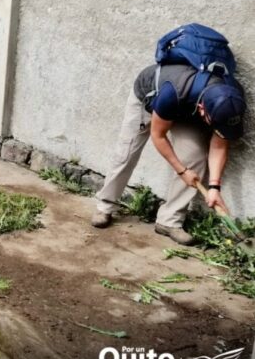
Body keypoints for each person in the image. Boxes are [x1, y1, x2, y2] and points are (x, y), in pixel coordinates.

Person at [92, 63, 247, 245]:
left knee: (195, 155)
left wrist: (214, 188)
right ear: (204, 110)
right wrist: (182, 171)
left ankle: (169, 220)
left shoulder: (232, 98)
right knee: (127, 151)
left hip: (187, 108)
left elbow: (220, 145)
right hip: (151, 96)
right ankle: (105, 206)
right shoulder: (172, 93)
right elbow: (158, 135)